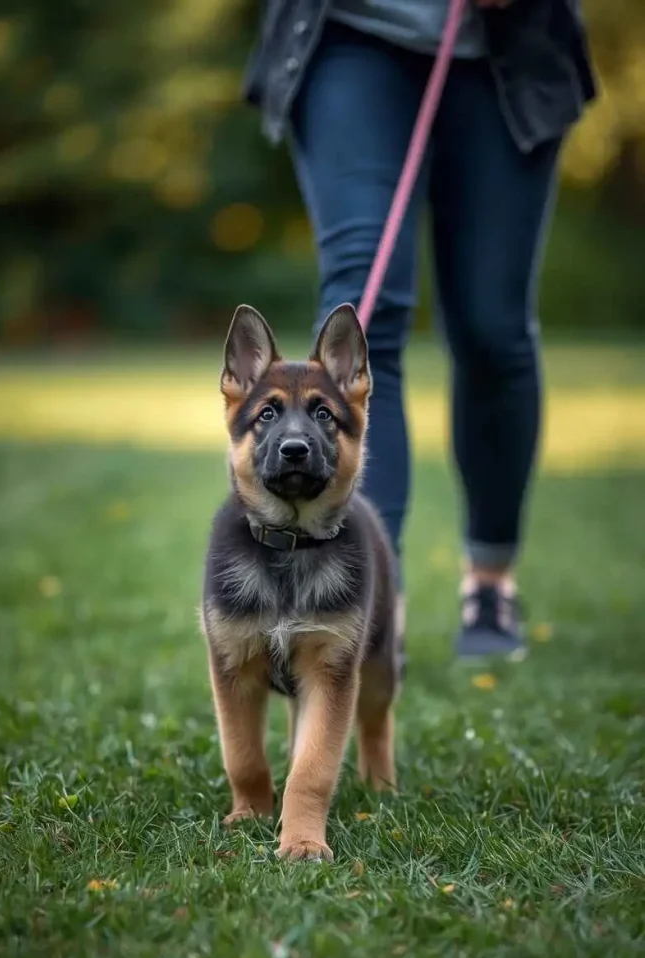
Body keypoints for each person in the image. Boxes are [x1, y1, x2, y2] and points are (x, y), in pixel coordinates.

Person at [242, 0, 596, 659]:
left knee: (492, 330)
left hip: (507, 54)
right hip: (350, 35)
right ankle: (369, 596)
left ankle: (489, 582)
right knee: (360, 323)